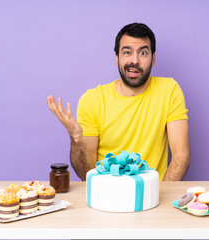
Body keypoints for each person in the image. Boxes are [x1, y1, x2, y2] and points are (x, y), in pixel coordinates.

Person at [47, 23, 190, 181]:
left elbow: (181, 156)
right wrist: (76, 139)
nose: (134, 60)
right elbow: (87, 174)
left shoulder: (169, 90)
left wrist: (158, 195)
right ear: (117, 58)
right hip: (106, 197)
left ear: (153, 59)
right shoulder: (93, 100)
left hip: (154, 195)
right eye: (127, 52)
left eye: (143, 52)